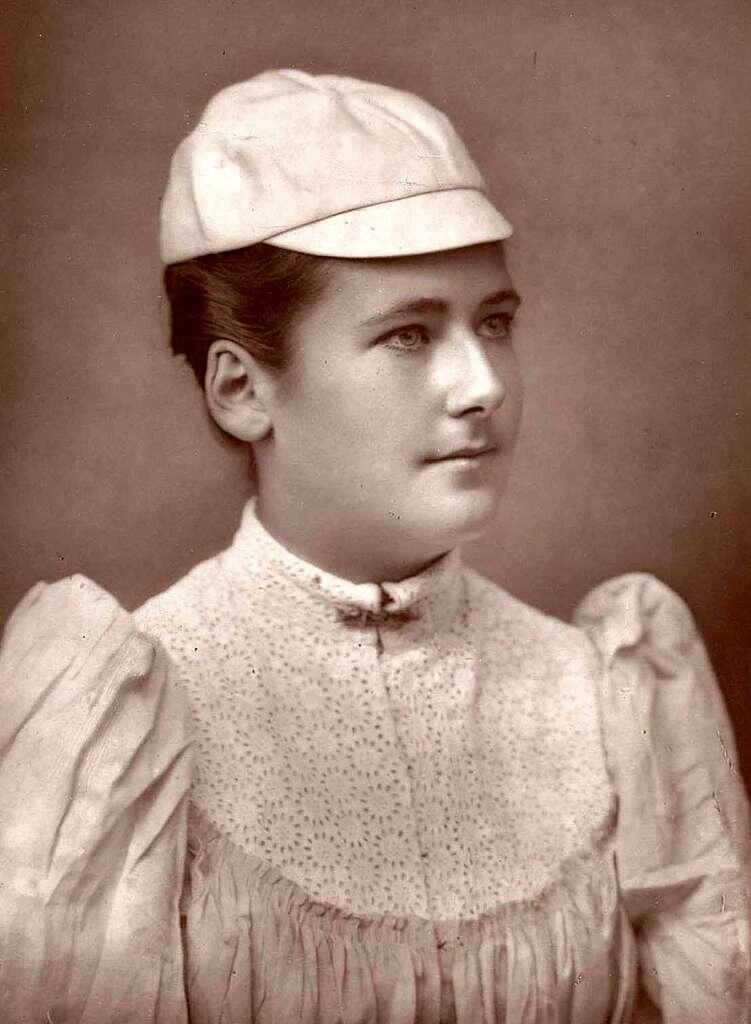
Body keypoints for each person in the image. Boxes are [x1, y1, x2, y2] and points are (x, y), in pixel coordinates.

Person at [0, 69, 748, 1024]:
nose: (481, 384)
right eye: (406, 335)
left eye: (495, 323)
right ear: (241, 390)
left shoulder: (607, 690)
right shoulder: (119, 727)